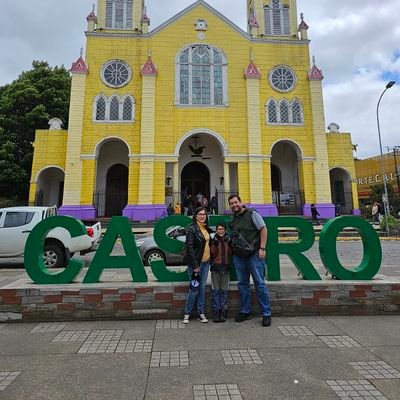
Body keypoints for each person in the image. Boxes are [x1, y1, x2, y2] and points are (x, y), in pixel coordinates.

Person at [228, 194, 272, 327]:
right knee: (243, 284)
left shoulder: (252, 214)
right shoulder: (234, 218)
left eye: (236, 202)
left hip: (253, 254)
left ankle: (266, 313)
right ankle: (245, 311)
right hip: (239, 256)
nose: (234, 205)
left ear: (241, 202)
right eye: (231, 203)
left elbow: (263, 229)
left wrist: (262, 248)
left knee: (259, 283)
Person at [183, 207, 212, 324]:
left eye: (204, 214)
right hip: (196, 264)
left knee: (202, 288)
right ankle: (187, 313)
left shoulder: (206, 228)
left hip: (206, 263)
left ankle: (201, 312)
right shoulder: (191, 228)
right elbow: (189, 247)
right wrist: (195, 265)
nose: (202, 216)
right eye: (200, 214)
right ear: (195, 216)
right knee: (194, 289)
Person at [210, 222, 232, 323]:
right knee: (215, 291)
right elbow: (212, 254)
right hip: (215, 268)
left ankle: (223, 311)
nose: (220, 231)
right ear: (216, 230)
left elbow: (231, 253)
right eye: (218, 229)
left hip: (226, 268)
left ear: (225, 230)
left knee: (224, 291)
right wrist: (214, 244)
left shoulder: (229, 240)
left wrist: (231, 244)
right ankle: (216, 311)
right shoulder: (213, 240)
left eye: (222, 229)